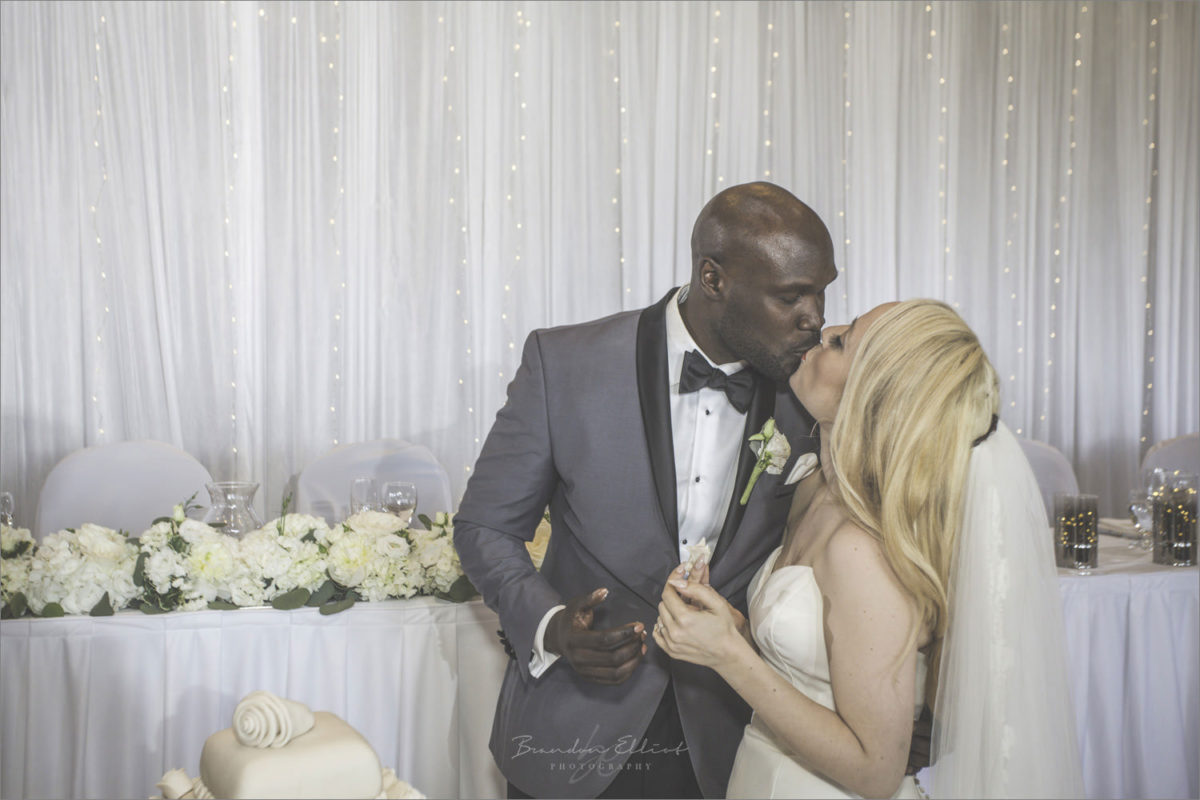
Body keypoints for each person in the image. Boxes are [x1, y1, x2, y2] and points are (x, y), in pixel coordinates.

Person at [453, 182, 838, 798]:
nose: (814, 317)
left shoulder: (817, 389)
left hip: (737, 740)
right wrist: (552, 626)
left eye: (822, 291)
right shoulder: (565, 362)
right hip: (572, 730)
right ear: (713, 278)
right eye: (791, 295)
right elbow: (485, 528)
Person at [654, 299, 1084, 798]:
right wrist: (737, 635)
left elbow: (876, 771)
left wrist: (728, 656)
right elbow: (812, 679)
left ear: (871, 398)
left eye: (841, 342)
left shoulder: (863, 550)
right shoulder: (814, 487)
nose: (824, 331)